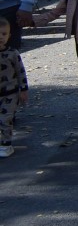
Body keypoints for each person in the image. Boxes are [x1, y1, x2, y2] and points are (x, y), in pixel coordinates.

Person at [0, 19, 28, 158]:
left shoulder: (13, 54)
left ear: (9, 36)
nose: (1, 37)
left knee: (6, 118)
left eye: (4, 34)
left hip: (10, 93)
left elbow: (20, 72)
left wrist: (23, 89)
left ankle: (6, 145)